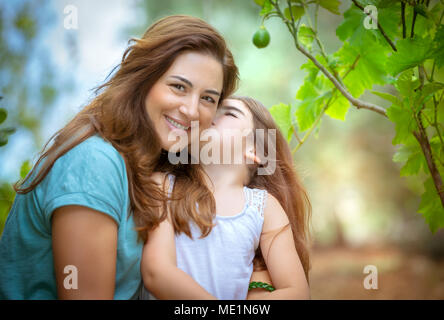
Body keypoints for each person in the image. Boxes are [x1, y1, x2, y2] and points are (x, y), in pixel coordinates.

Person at [0, 15, 239, 299]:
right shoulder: (94, 163)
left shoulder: (157, 168)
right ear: (143, 81)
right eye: (178, 87)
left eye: (208, 98)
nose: (191, 109)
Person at [140, 96, 312, 299]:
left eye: (229, 112)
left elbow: (297, 292)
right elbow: (157, 273)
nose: (210, 113)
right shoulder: (164, 186)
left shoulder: (263, 207)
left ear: (254, 150)